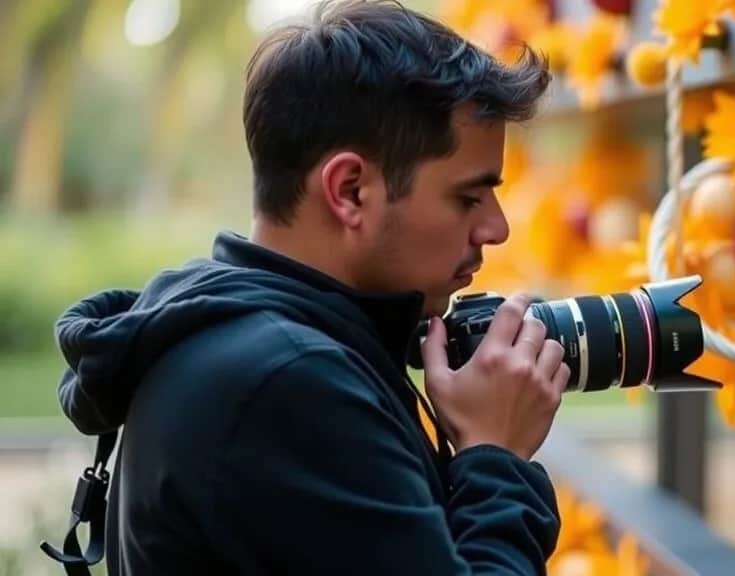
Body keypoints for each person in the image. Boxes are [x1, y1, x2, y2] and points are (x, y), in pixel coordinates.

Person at [53, 1, 569, 574]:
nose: (496, 229)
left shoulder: (251, 343)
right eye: (468, 197)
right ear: (349, 190)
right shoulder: (287, 386)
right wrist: (495, 457)